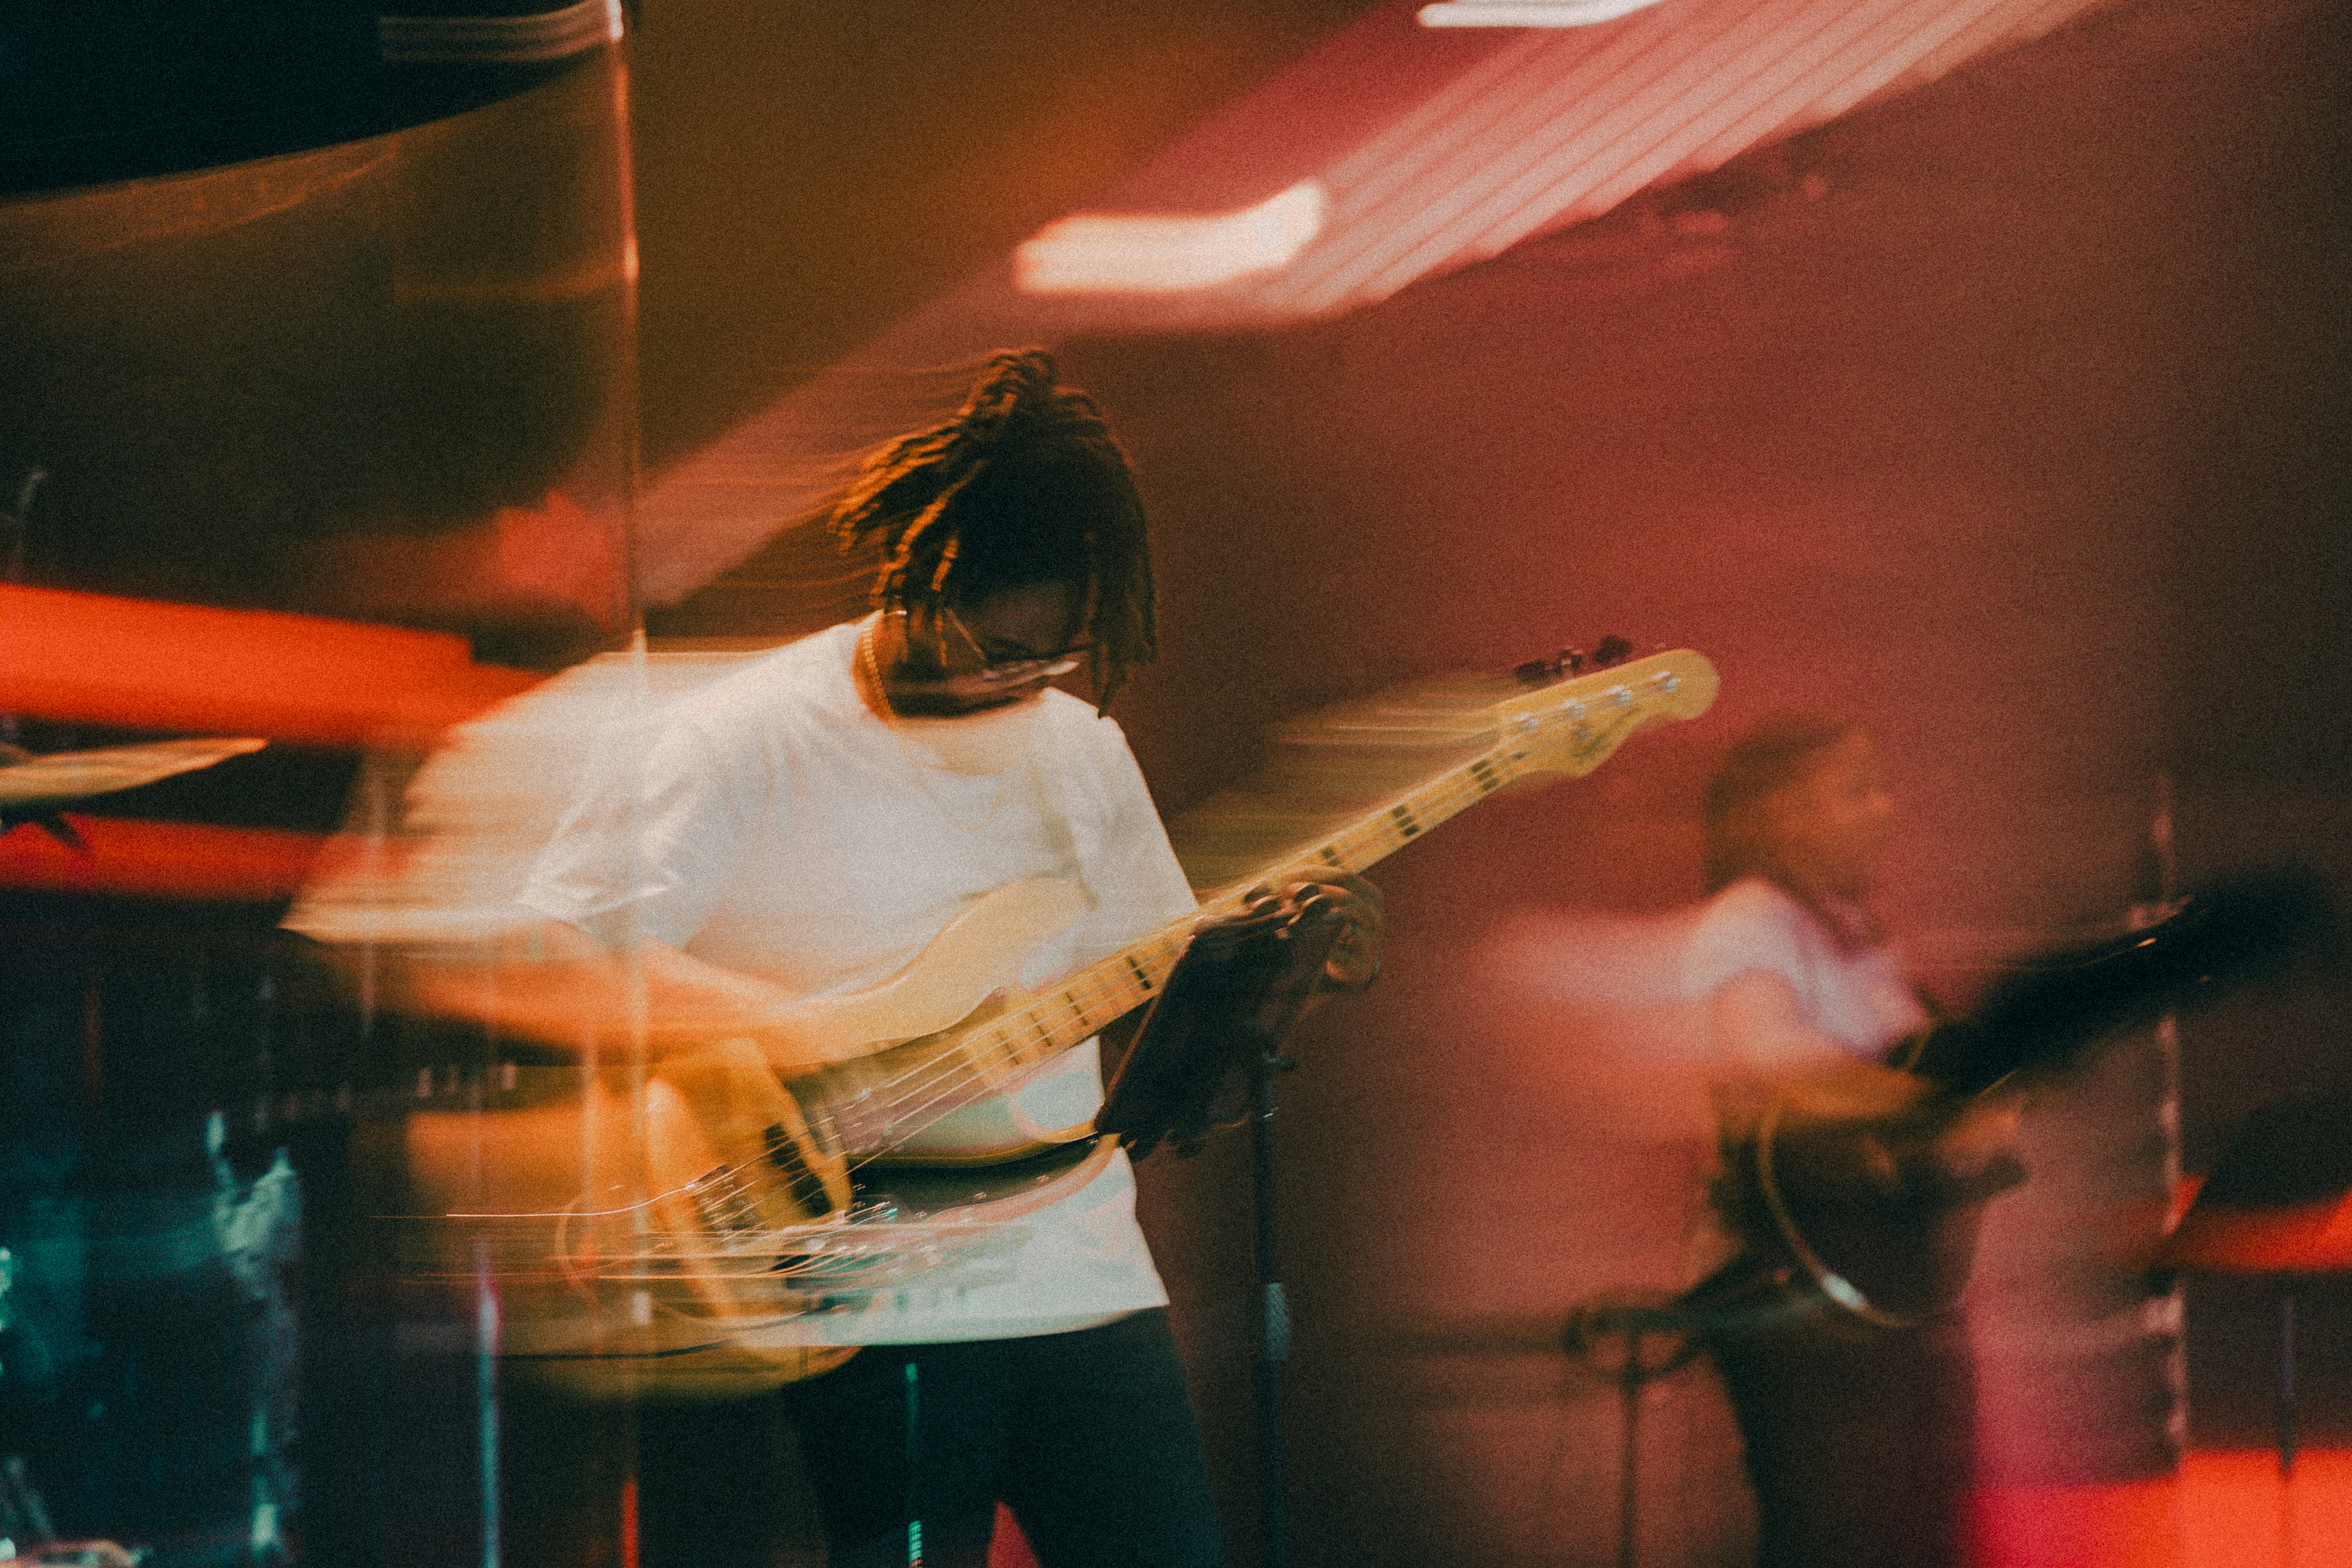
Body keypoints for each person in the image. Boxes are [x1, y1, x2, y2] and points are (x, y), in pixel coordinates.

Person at [507, 348, 1383, 1568]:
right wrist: (806, 1043)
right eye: (989, 645)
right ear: (917, 582)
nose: (1011, 681)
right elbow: (567, 950)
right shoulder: (740, 737)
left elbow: (1161, 995)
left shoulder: (1079, 749)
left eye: (1045, 659)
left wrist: (1279, 970)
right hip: (873, 1289)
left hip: (1084, 1276)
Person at [1677, 715, 2013, 1568]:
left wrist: (1982, 1113)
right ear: (1785, 812)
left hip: (1881, 1290)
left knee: (1915, 1528)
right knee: (1841, 1534)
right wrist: (1922, 1113)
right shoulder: (1751, 916)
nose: (1885, 808)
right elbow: (1767, 1053)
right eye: (1857, 790)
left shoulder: (1853, 934)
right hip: (1800, 1285)